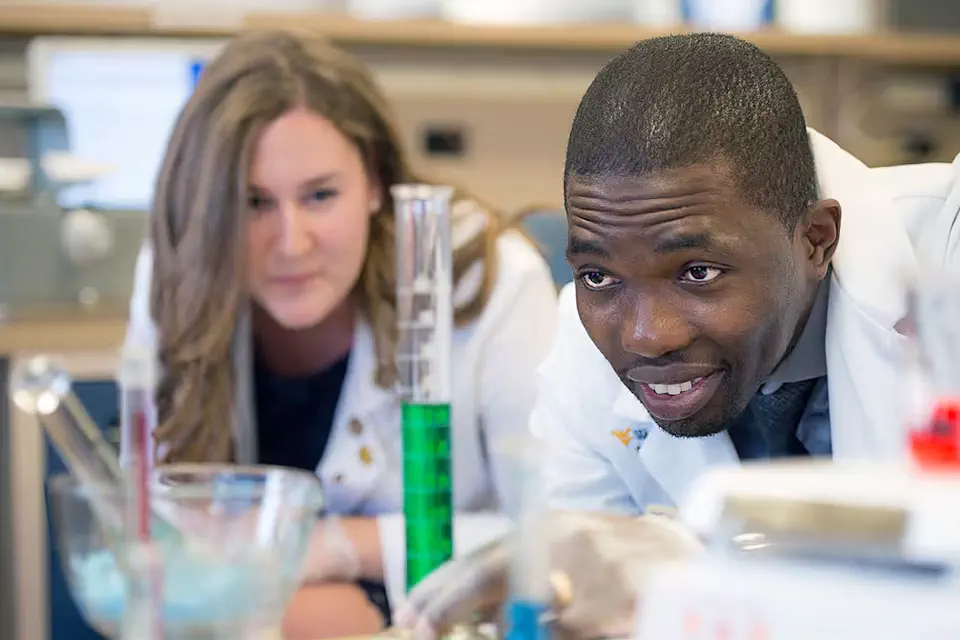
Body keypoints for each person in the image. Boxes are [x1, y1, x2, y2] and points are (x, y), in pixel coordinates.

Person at [395, 32, 960, 635]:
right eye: (598, 274)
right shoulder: (582, 348)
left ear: (816, 237)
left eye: (698, 272)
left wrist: (700, 568)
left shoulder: (946, 257)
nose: (645, 336)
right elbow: (586, 607)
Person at [122, 28, 558, 639]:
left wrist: (339, 545)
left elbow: (560, 530)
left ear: (376, 181)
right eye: (253, 204)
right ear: (207, 208)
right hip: (236, 609)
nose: (291, 244)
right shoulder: (177, 278)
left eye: (321, 195)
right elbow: (157, 537)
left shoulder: (480, 276)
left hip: (441, 600)